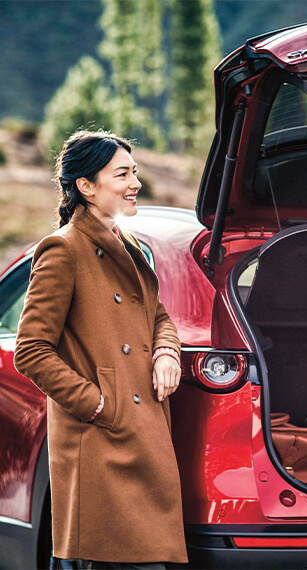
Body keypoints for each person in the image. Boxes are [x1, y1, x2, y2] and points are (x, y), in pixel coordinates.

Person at [14, 130, 188, 569]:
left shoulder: (128, 246)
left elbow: (160, 318)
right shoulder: (63, 248)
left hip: (139, 434)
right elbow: (32, 350)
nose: (136, 183)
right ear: (86, 186)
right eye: (123, 173)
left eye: (136, 172)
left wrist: (167, 352)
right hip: (100, 444)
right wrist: (98, 405)